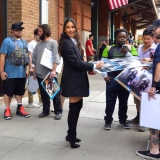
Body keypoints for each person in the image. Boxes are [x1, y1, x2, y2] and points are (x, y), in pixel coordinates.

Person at [58, 18, 103, 149]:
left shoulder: (73, 41)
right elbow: (76, 63)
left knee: (77, 107)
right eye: (68, 27)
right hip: (73, 80)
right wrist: (94, 65)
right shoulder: (66, 43)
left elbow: (78, 61)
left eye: (73, 27)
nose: (71, 29)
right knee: (74, 109)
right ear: (64, 29)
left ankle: (71, 133)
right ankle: (71, 136)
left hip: (77, 79)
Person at [101, 28, 138, 130]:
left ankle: (123, 120)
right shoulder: (108, 49)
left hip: (125, 80)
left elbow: (136, 62)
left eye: (124, 37)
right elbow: (103, 63)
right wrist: (104, 76)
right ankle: (108, 121)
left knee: (123, 102)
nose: (122, 39)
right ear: (116, 37)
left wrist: (127, 53)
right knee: (110, 102)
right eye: (120, 37)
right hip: (112, 79)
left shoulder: (131, 48)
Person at [136, 19, 160, 160]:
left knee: (154, 118)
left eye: (155, 29)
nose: (153, 32)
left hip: (158, 87)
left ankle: (154, 151)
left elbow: (159, 66)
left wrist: (154, 85)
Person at [127, 29, 157, 132]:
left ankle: (144, 122)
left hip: (149, 78)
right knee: (137, 99)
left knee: (146, 100)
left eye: (148, 39)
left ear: (153, 38)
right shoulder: (139, 47)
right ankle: (138, 116)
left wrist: (150, 60)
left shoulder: (156, 49)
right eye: (144, 39)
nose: (146, 41)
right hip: (138, 77)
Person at [0, 22, 30, 120]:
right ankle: (7, 109)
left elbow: (25, 56)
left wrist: (26, 69)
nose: (19, 31)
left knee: (19, 91)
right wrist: (1, 71)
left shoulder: (24, 42)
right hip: (10, 72)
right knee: (8, 92)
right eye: (17, 30)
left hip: (21, 72)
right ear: (12, 31)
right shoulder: (7, 41)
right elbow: (2, 56)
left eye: (21, 30)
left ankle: (20, 108)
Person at [32, 24, 63, 120]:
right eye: (38, 31)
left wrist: (53, 71)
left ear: (45, 32)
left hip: (49, 74)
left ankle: (58, 111)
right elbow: (34, 60)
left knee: (53, 93)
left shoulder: (53, 43)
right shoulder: (38, 45)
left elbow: (55, 58)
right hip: (40, 73)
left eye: (40, 31)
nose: (38, 33)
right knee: (43, 94)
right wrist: (34, 72)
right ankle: (45, 111)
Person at [27, 28, 42, 108]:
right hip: (33, 66)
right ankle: (30, 102)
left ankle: (41, 100)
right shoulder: (31, 44)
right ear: (35, 35)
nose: (40, 36)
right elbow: (30, 56)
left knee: (40, 84)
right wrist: (30, 68)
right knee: (32, 84)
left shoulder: (41, 43)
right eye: (38, 35)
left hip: (40, 67)